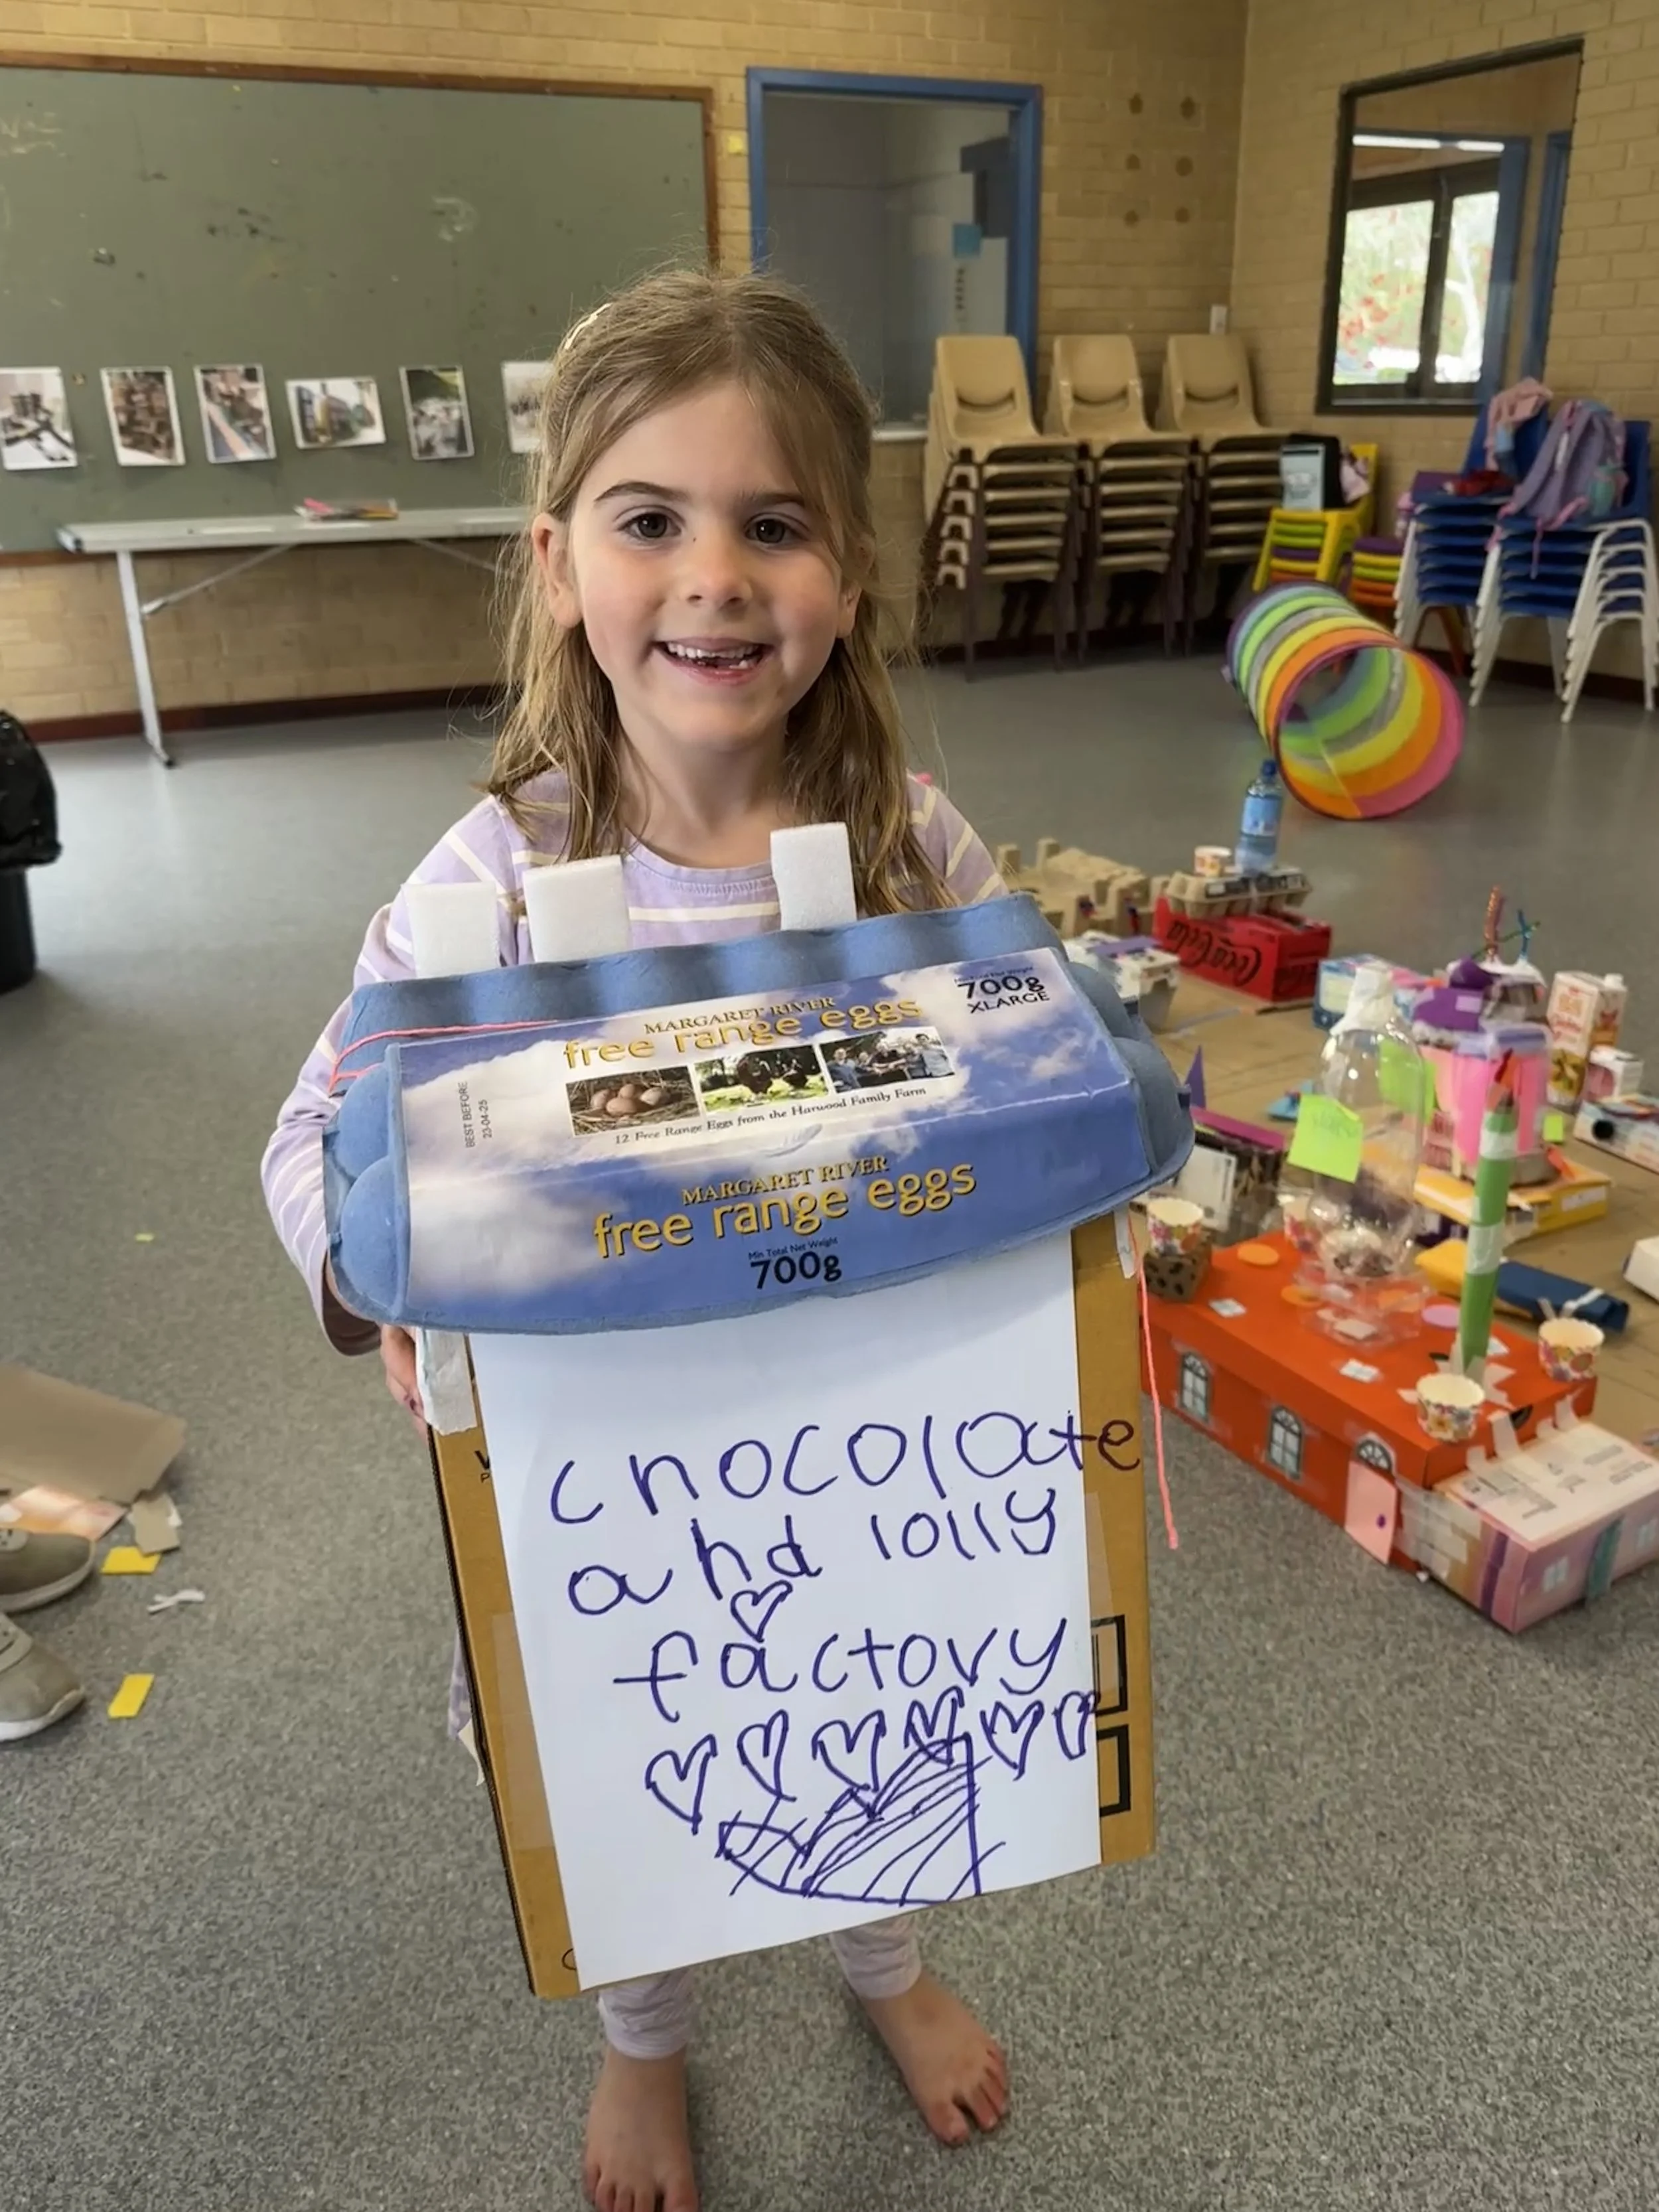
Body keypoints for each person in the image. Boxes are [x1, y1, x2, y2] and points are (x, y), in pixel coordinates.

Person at [261, 267, 1009, 2212]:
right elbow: (312, 1132)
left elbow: (1026, 1079)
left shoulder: (916, 853)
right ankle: (645, 2042)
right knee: (626, 1755)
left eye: (773, 524)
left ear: (847, 567)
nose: (714, 577)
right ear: (554, 559)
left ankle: (882, 1960)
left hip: (872, 1449)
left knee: (873, 1703)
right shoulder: (489, 882)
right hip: (599, 1489)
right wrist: (375, 1265)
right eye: (648, 519)